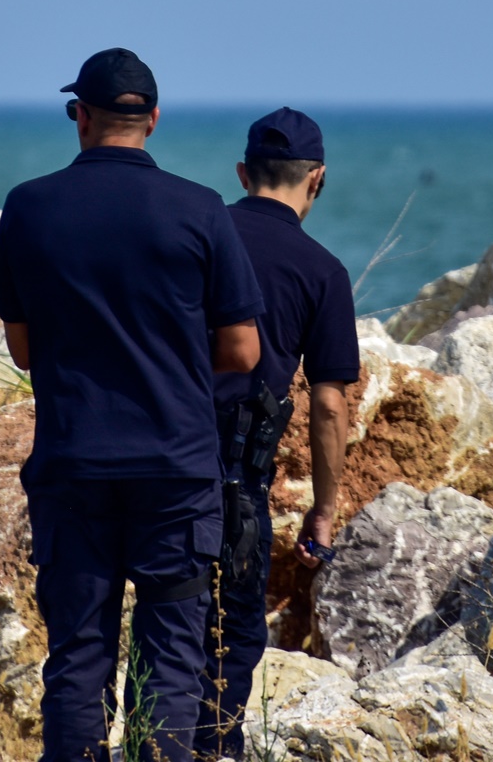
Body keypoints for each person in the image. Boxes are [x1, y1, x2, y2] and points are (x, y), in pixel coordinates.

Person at [0, 48, 266, 762]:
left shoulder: (28, 207)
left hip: (73, 466)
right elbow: (242, 350)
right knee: (172, 657)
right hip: (176, 469)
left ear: (80, 116)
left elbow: (22, 349)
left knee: (79, 655)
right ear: (153, 120)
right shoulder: (200, 209)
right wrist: (173, 362)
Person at [195, 108, 360, 762]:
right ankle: (216, 751)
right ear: (316, 178)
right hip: (238, 478)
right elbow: (327, 405)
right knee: (235, 634)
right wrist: (323, 512)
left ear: (242, 173)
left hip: (159, 457)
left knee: (165, 626)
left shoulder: (198, 236)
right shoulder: (323, 271)